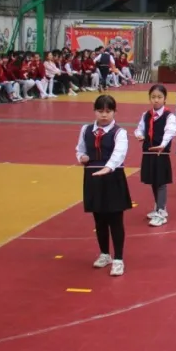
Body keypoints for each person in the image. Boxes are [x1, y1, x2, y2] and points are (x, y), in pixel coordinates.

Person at [76, 94, 131, 277]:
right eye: (100, 111)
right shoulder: (86, 130)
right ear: (95, 111)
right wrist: (81, 158)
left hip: (113, 178)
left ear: (114, 112)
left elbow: (119, 154)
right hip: (93, 178)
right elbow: (80, 149)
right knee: (99, 219)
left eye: (108, 111)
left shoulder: (119, 133)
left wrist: (108, 168)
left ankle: (118, 259)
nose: (104, 115)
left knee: (115, 219)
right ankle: (104, 254)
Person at [134, 84, 176, 227]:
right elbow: (139, 129)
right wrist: (139, 135)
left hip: (160, 153)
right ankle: (158, 206)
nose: (156, 100)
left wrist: (163, 144)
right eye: (153, 97)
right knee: (152, 180)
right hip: (148, 152)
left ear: (165, 99)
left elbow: (170, 131)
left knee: (161, 182)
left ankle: (161, 210)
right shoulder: (146, 115)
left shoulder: (169, 116)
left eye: (159, 97)